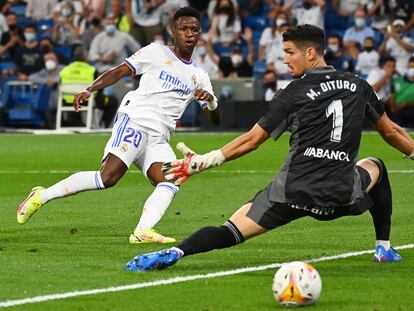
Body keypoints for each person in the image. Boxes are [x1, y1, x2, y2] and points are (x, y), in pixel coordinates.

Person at [126, 24, 414, 272]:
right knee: (375, 165)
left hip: (291, 192)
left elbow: (252, 140)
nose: (285, 60)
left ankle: (178, 253)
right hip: (341, 195)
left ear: (310, 53)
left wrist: (204, 160)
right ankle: (384, 248)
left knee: (230, 230)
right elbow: (391, 131)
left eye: (290, 52)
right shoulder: (359, 86)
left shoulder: (292, 94)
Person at [17, 7, 221, 245]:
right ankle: (42, 195)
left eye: (194, 29)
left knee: (170, 180)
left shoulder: (200, 75)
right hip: (135, 119)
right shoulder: (156, 52)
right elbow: (121, 71)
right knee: (108, 177)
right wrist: (89, 88)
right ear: (173, 31)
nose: (189, 34)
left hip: (159, 136)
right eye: (183, 28)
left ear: (200, 33)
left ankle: (142, 231)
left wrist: (212, 102)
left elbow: (214, 118)